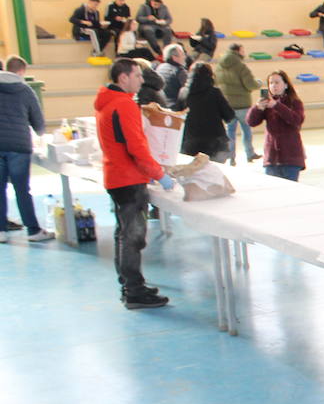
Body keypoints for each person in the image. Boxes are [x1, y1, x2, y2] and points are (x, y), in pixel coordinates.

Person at [95, 59, 174, 308]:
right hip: (128, 180)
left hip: (116, 176)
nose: (142, 80)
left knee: (123, 233)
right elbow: (136, 147)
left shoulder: (105, 103)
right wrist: (157, 173)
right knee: (133, 237)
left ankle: (129, 284)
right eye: (138, 75)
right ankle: (134, 291)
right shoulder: (124, 105)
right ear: (123, 78)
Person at [0, 56, 51, 243]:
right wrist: (39, 133)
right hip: (19, 145)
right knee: (22, 190)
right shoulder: (25, 90)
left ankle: (1, 230)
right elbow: (38, 122)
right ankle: (33, 230)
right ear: (21, 71)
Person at [246, 71, 306, 181]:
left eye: (277, 82)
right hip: (271, 158)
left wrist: (277, 105)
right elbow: (251, 122)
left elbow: (296, 120)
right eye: (271, 83)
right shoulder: (267, 104)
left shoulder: (295, 102)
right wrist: (257, 108)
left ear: (286, 85)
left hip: (291, 158)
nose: (274, 86)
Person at [179, 62, 235, 163]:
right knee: (215, 175)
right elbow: (229, 115)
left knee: (194, 177)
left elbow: (178, 115)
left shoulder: (183, 93)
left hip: (190, 144)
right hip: (215, 144)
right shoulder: (214, 92)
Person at [214, 43, 259, 165]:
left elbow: (216, 83)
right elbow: (250, 84)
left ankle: (231, 158)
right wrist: (257, 84)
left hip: (227, 105)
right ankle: (250, 154)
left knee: (230, 133)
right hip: (243, 104)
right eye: (243, 50)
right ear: (238, 51)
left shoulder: (219, 66)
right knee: (247, 130)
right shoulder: (241, 66)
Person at [155, 44, 189, 110]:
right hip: (174, 109)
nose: (185, 57)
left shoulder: (160, 67)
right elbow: (188, 93)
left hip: (160, 106)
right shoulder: (180, 72)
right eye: (183, 54)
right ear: (174, 57)